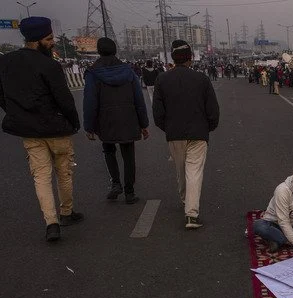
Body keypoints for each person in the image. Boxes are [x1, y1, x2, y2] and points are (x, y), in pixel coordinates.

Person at [0, 16, 83, 242]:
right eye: (49, 38)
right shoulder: (49, 65)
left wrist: (19, 115)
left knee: (41, 177)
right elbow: (64, 99)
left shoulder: (6, 62)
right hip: (56, 128)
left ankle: (51, 223)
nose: (52, 42)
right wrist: (74, 122)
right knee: (63, 173)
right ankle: (66, 212)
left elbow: (1, 97)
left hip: (29, 132)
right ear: (36, 40)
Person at [153, 40, 219, 229]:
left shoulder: (162, 79)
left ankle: (185, 200)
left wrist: (168, 128)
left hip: (174, 134)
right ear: (190, 58)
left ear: (173, 58)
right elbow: (213, 110)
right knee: (194, 172)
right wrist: (208, 128)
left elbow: (158, 113)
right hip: (198, 134)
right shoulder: (202, 79)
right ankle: (191, 215)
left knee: (180, 170)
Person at [83, 37, 149, 205]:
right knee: (128, 155)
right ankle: (130, 192)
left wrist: (89, 127)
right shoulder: (128, 71)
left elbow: (90, 101)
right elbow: (138, 99)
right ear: (115, 50)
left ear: (99, 51)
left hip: (105, 120)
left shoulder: (93, 72)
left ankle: (115, 183)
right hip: (129, 118)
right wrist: (144, 124)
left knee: (108, 151)